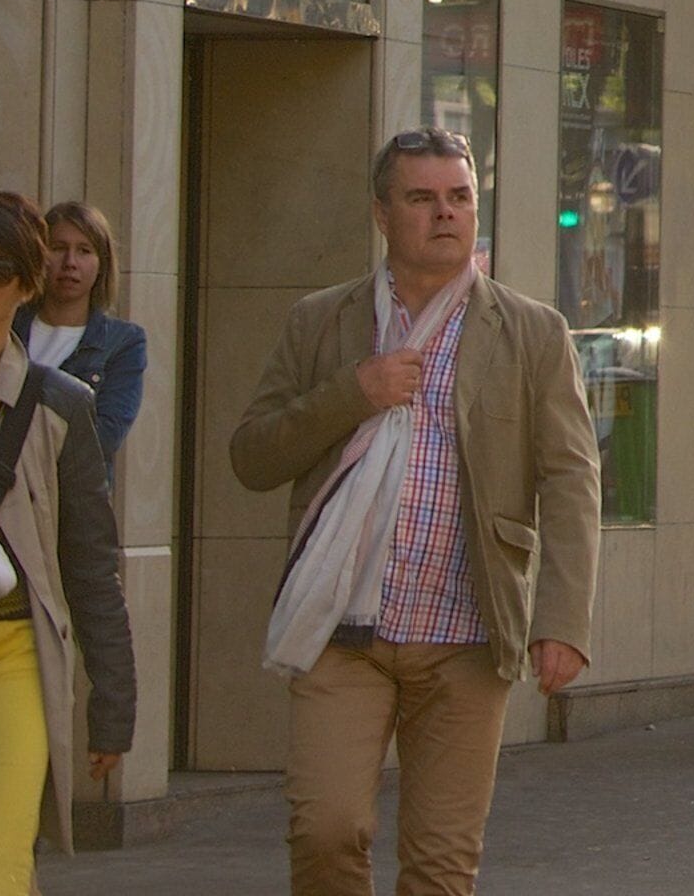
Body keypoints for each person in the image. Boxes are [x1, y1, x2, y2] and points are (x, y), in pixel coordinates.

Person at [231, 129, 596, 896]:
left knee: (440, 866)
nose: (445, 214)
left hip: (466, 633)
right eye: (422, 198)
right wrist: (350, 395)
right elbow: (252, 456)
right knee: (327, 831)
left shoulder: (531, 332)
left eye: (459, 197)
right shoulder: (321, 322)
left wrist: (562, 620)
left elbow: (569, 478)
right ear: (381, 213)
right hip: (342, 633)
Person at [0, 195, 132, 893]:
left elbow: (89, 562)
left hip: (10, 649)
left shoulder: (60, 404)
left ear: (24, 284)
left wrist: (113, 700)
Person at [16, 201, 144, 465]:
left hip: (71, 498)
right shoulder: (8, 327)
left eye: (84, 251)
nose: (70, 262)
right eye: (58, 248)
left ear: (102, 264)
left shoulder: (123, 342)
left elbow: (104, 438)